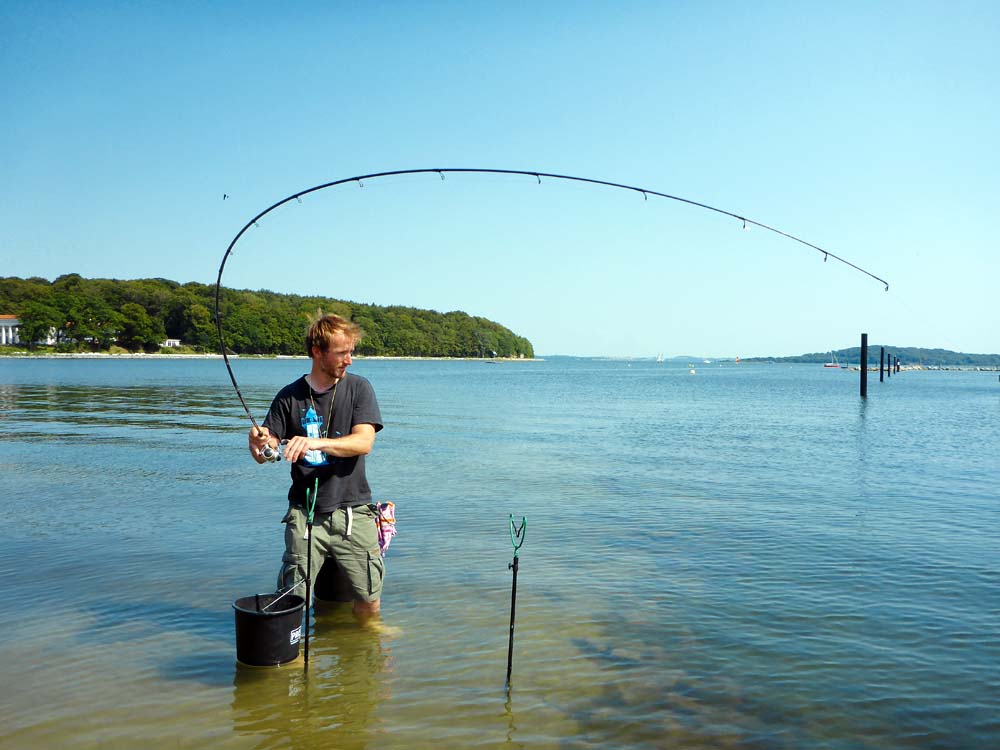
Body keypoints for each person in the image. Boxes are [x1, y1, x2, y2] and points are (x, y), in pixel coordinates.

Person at [248, 313, 384, 621]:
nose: (349, 360)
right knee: (293, 600)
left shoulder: (360, 389)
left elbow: (364, 442)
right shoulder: (289, 396)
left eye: (352, 352)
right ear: (317, 352)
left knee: (369, 598)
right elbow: (267, 450)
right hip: (304, 513)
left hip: (354, 511)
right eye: (341, 353)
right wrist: (259, 444)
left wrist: (315, 443)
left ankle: (364, 654)